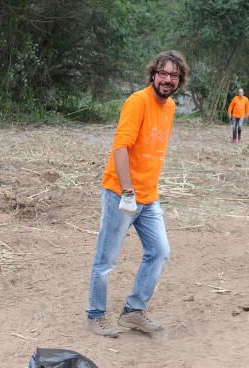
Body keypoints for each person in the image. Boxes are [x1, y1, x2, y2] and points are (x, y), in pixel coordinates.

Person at [86, 50, 188, 337]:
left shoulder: (170, 108)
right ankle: (96, 314)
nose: (167, 80)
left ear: (179, 80)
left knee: (160, 251)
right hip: (122, 193)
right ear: (153, 75)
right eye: (163, 73)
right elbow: (120, 147)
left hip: (148, 196)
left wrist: (144, 191)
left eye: (173, 75)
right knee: (106, 259)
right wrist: (127, 191)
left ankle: (133, 311)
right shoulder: (137, 102)